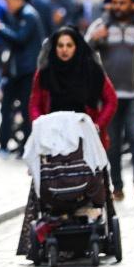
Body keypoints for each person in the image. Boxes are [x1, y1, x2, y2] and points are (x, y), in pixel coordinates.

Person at [17, 26, 117, 255]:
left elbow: (110, 100)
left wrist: (97, 126)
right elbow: (34, 103)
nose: (64, 50)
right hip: (52, 142)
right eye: (60, 46)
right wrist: (40, 125)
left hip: (85, 139)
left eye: (69, 46)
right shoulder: (45, 72)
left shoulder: (91, 70)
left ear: (77, 47)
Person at [87, 0, 134, 201]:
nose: (120, 7)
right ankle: (117, 187)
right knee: (112, 143)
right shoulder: (101, 25)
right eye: (116, 2)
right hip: (110, 96)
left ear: (131, 5)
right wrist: (94, 38)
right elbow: (84, 52)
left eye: (124, 3)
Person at [0, 0, 44, 156]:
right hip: (17, 71)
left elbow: (19, 39)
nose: (8, 6)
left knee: (26, 109)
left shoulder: (28, 15)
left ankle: (25, 147)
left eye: (9, 2)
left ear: (18, 0)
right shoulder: (21, 15)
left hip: (25, 71)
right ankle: (6, 145)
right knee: (7, 107)